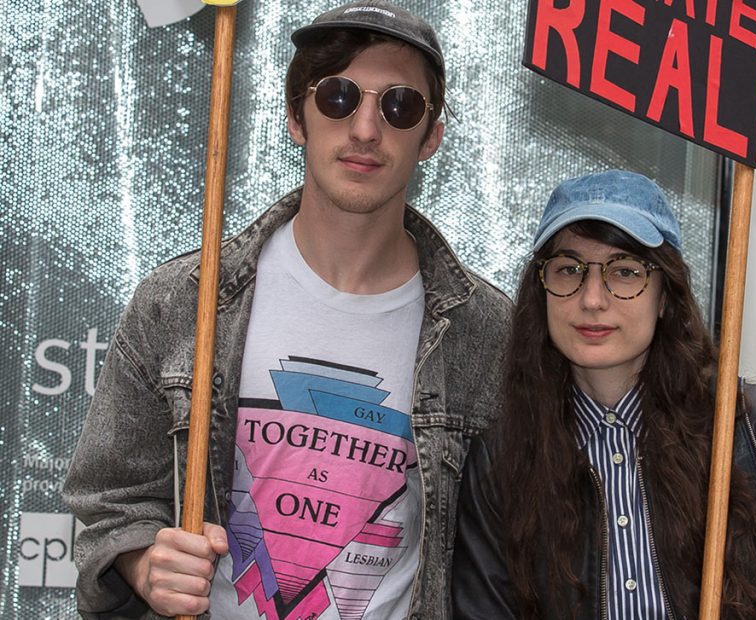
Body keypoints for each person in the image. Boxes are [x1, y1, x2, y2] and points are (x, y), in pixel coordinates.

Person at [62, 2, 510, 618]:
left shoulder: (485, 333)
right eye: (338, 97)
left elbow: (504, 556)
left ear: (431, 135)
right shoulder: (183, 302)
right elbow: (110, 500)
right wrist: (143, 561)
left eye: (399, 105)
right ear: (297, 115)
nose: (365, 129)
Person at [451, 170, 756, 619]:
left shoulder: (753, 430)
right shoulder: (500, 458)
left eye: (625, 272)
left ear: (665, 296)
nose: (592, 299)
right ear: (541, 289)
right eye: (568, 269)